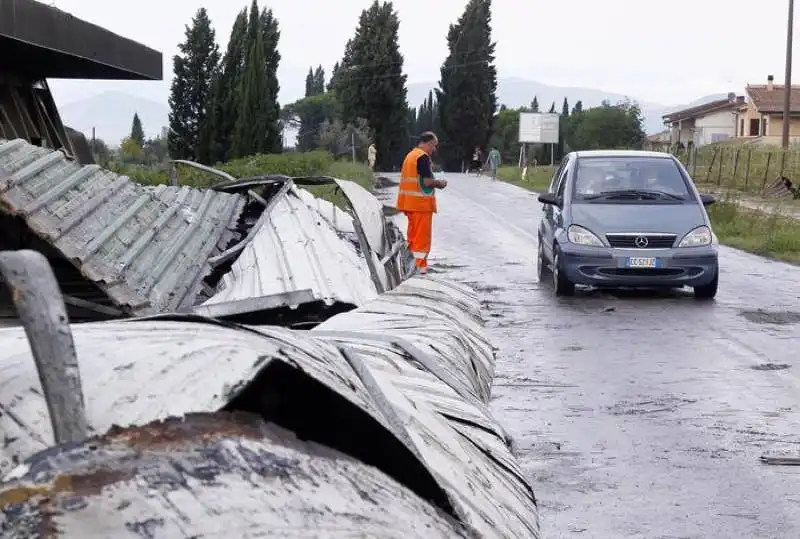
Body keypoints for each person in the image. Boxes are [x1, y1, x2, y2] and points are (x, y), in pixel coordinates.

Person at [396, 132, 447, 274]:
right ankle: (419, 269)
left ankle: (410, 267)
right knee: (421, 240)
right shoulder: (422, 157)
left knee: (413, 238)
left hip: (410, 204)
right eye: (434, 145)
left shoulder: (411, 156)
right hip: (421, 205)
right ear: (428, 143)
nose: (434, 149)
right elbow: (426, 181)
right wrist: (439, 183)